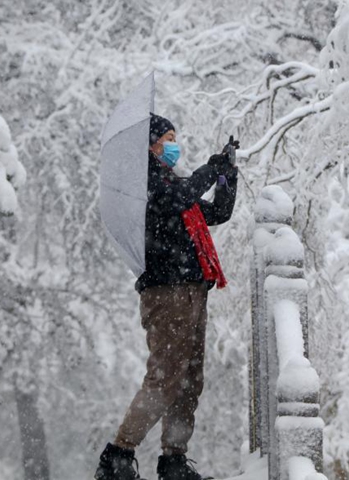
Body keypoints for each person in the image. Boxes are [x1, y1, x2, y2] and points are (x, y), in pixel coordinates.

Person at [94, 114, 239, 480]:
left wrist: (227, 175)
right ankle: (117, 456)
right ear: (150, 144)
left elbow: (217, 212)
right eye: (168, 138)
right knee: (166, 378)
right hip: (167, 293)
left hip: (192, 290)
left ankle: (174, 460)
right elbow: (180, 196)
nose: (174, 146)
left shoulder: (170, 184)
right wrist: (209, 169)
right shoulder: (145, 184)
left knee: (191, 378)